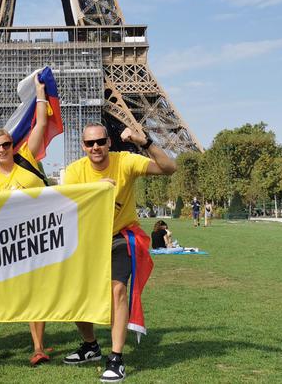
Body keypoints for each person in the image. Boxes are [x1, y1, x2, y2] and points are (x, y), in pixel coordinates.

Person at [62, 123, 176, 383]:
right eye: (90, 143)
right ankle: (90, 345)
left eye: (100, 141)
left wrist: (143, 142)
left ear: (109, 142)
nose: (96, 147)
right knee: (76, 293)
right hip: (87, 239)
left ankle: (116, 358)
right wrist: (94, 190)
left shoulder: (125, 161)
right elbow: (64, 205)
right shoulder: (74, 172)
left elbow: (169, 168)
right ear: (83, 146)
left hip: (120, 235)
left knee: (118, 290)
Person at [0, 76, 51, 366]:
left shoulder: (28, 157)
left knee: (37, 293)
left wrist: (39, 94)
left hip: (40, 234)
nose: (2, 149)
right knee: (25, 293)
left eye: (5, 144)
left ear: (13, 144)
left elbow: (41, 125)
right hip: (13, 241)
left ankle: (38, 346)